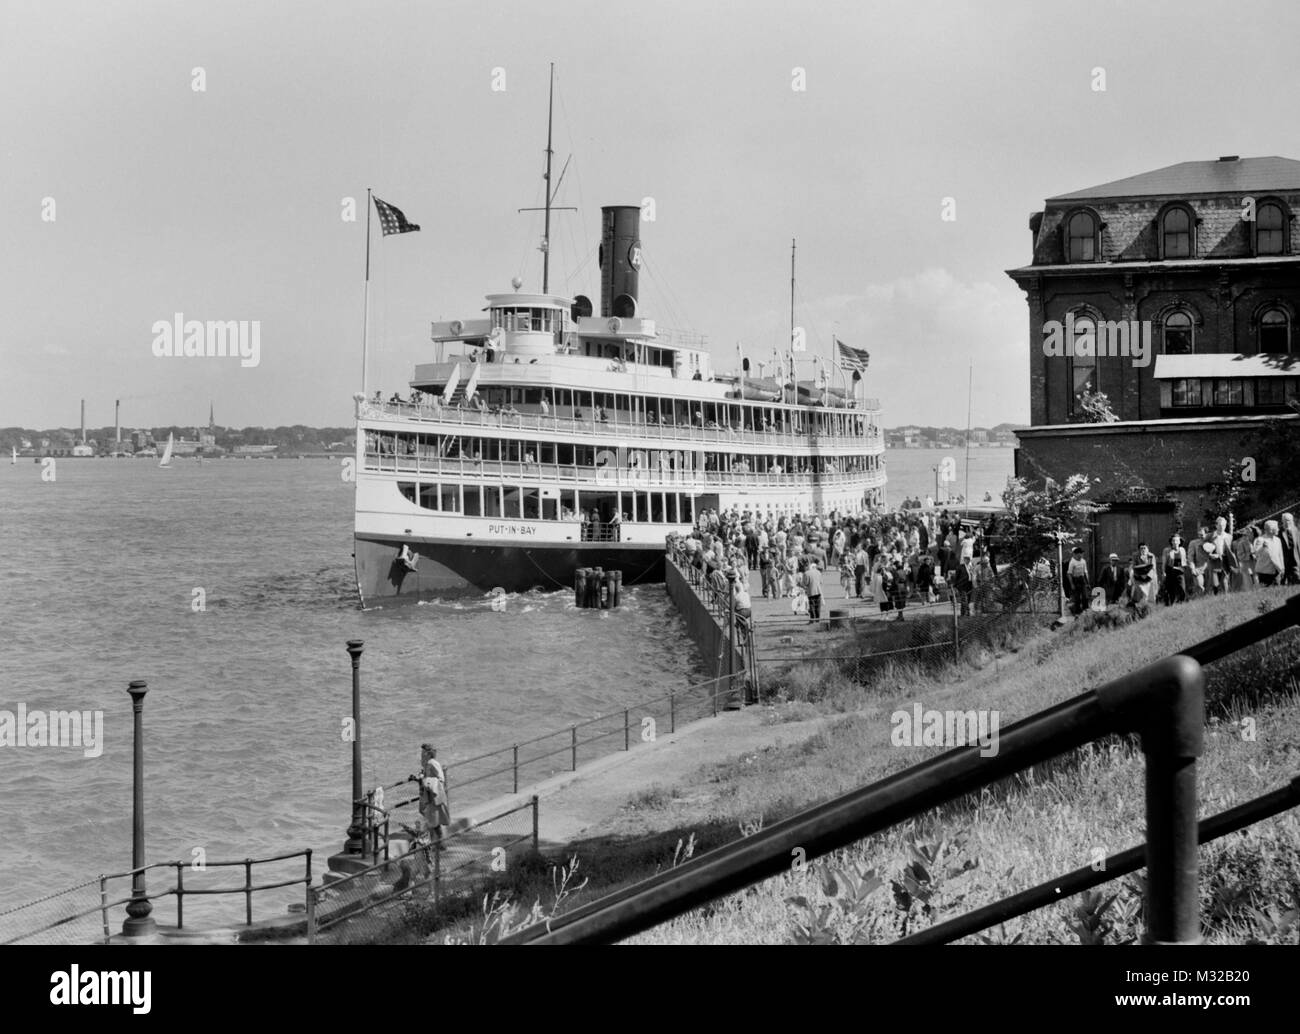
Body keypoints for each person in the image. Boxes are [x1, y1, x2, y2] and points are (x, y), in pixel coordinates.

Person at [416, 744, 450, 842]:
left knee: (433, 821)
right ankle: (437, 843)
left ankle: (439, 844)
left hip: (433, 796)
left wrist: (425, 780)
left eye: (422, 752)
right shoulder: (427, 763)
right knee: (432, 820)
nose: (421, 754)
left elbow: (441, 779)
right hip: (429, 795)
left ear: (427, 753)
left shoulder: (432, 763)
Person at [1253, 520, 1284, 586]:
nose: (1278, 529)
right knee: (1265, 592)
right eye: (1277, 528)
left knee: (1277, 591)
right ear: (1271, 530)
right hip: (1264, 571)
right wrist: (1262, 547)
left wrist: (1282, 567)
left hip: (1276, 569)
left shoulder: (1278, 540)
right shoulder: (1260, 539)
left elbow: (1280, 555)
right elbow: (1256, 553)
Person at [1161, 534, 1188, 604]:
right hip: (1170, 570)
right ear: (1171, 542)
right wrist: (1163, 572)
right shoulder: (1166, 550)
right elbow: (1164, 562)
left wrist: (1184, 568)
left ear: (1179, 542)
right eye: (1173, 540)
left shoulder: (1182, 550)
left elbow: (1184, 561)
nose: (1175, 542)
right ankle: (1171, 603)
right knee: (1170, 589)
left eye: (1177, 540)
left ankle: (1182, 602)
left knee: (1182, 587)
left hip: (1180, 571)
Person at [1066, 546, 1090, 615]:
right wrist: (1072, 584)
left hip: (1082, 579)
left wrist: (1087, 582)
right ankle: (1077, 612)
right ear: (1076, 554)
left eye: (1082, 553)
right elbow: (1069, 574)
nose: (1081, 555)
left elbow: (1085, 572)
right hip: (1075, 580)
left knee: (1085, 596)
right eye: (1080, 553)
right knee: (1077, 598)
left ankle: (1086, 611)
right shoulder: (1072, 562)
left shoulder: (1083, 561)